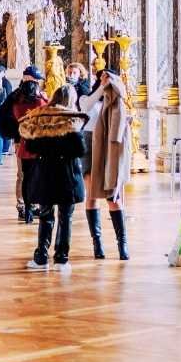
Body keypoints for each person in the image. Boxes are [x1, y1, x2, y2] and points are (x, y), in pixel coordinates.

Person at [19, 86, 88, 270]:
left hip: (45, 173)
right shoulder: (72, 119)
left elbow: (31, 146)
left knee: (45, 216)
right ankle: (61, 259)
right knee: (66, 218)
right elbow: (80, 150)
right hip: (67, 174)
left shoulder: (41, 118)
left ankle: (41, 257)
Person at [78, 69, 131, 260]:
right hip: (89, 144)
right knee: (92, 193)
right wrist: (102, 87)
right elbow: (85, 107)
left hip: (109, 146)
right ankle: (97, 242)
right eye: (103, 77)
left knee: (112, 196)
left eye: (109, 78)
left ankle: (122, 243)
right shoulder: (87, 96)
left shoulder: (117, 100)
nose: (106, 80)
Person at [2, 67, 48, 223]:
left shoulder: (35, 97)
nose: (38, 82)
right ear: (28, 78)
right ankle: (22, 205)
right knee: (22, 175)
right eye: (36, 80)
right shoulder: (16, 97)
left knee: (31, 175)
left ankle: (31, 205)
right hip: (22, 140)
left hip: (27, 140)